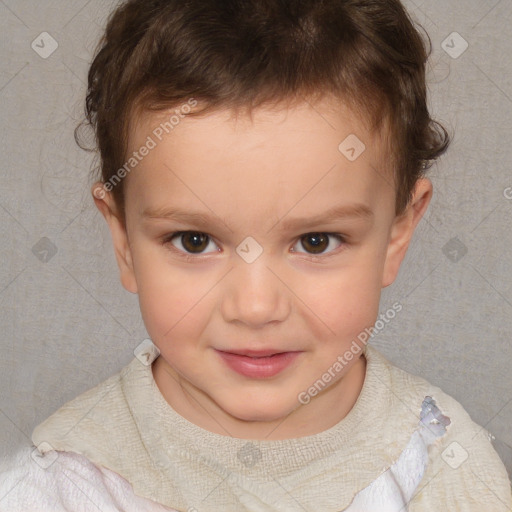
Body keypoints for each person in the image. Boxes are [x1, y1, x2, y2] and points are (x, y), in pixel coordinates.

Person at [1, 0, 511, 510]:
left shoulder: (440, 456)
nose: (255, 306)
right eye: (194, 241)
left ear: (397, 234)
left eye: (316, 241)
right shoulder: (62, 485)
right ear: (123, 241)